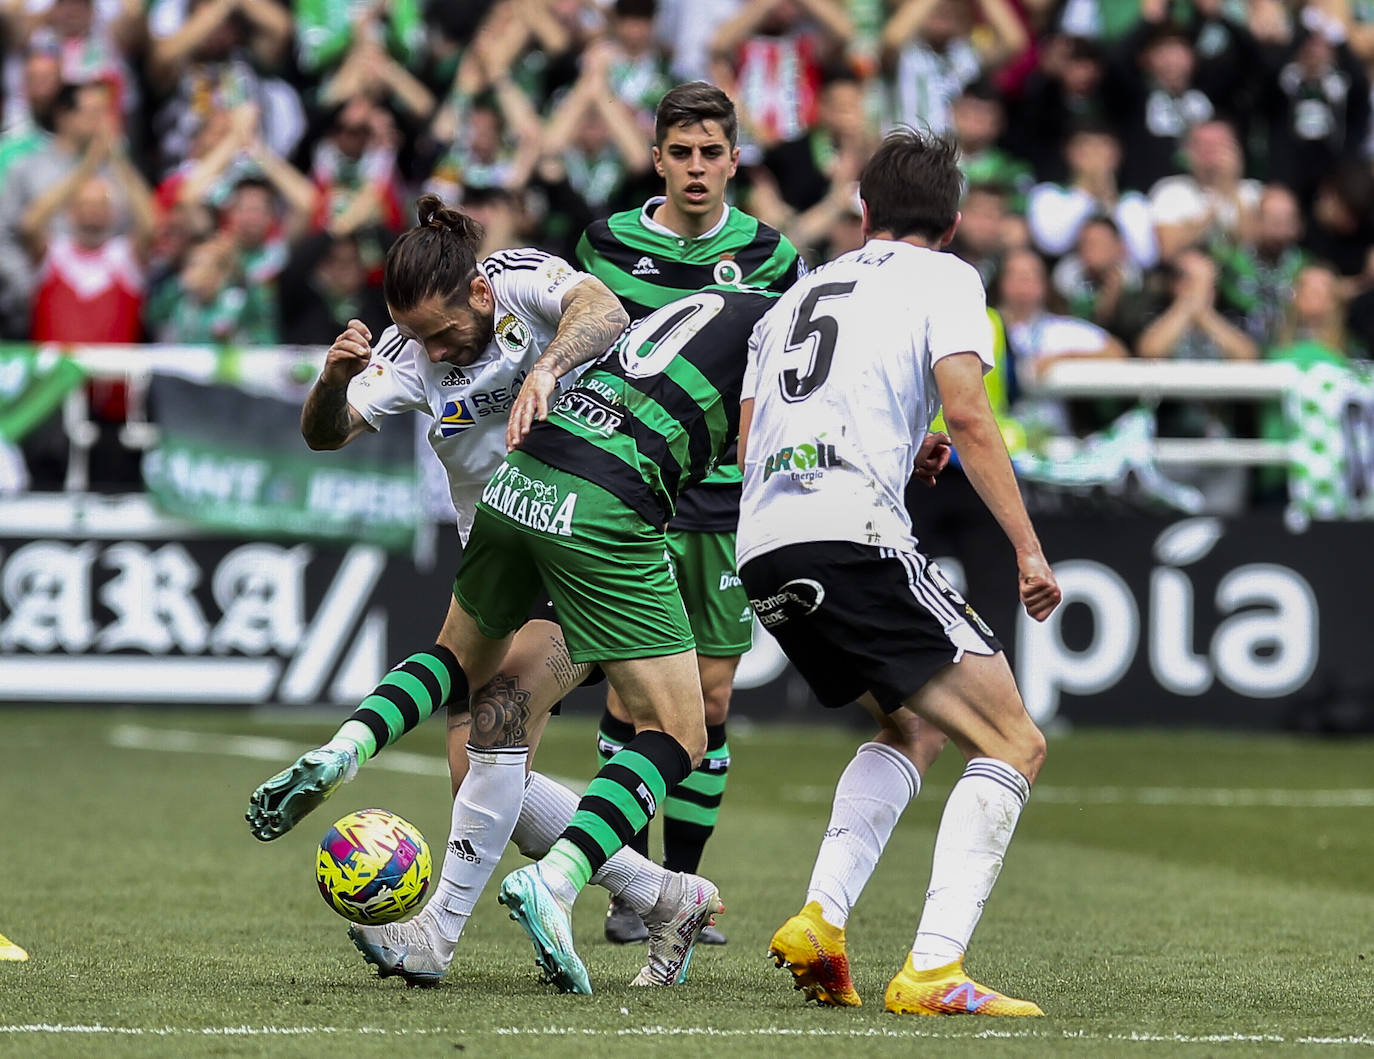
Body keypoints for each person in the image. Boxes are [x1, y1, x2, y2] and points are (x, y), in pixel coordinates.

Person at [245, 196, 723, 990]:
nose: (431, 350)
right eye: (416, 336)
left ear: (476, 293)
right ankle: (664, 892)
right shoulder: (407, 353)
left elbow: (602, 307)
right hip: (502, 550)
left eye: (440, 331)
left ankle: (440, 932)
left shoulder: (523, 281)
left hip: (590, 543)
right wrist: (333, 380)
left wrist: (547, 365)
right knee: (482, 779)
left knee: (499, 710)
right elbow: (324, 433)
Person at [736, 126, 1062, 1016]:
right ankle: (933, 969)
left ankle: (821, 919)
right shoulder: (948, 277)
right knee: (1013, 741)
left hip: (764, 541)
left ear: (865, 213)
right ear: (951, 225)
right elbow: (970, 412)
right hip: (855, 536)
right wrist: (1028, 547)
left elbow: (750, 436)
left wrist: (897, 443)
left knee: (913, 728)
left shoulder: (794, 297)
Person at [574, 80, 805, 945]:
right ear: (657, 158)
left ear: (734, 160)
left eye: (712, 153)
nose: (697, 168)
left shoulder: (775, 257)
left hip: (723, 500)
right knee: (636, 696)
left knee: (709, 699)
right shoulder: (606, 245)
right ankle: (632, 888)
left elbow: (791, 375)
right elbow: (581, 354)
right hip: (633, 492)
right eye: (682, 152)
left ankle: (685, 884)